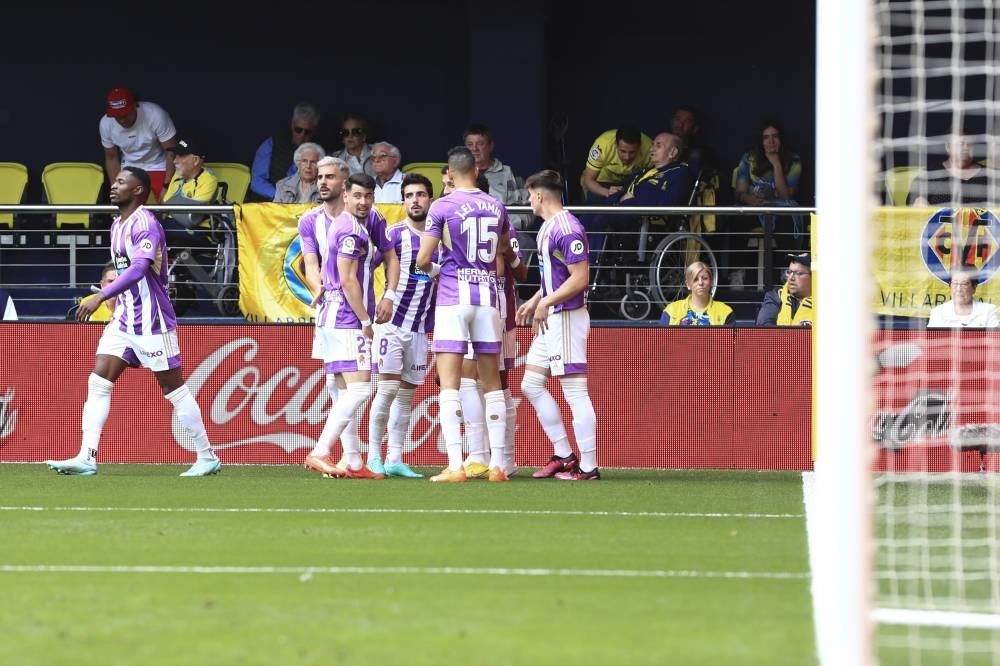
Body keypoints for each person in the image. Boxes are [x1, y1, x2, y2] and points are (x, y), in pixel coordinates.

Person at [45, 167, 220, 477]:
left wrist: (100, 297)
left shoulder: (146, 224)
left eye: (122, 182)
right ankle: (86, 456)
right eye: (116, 181)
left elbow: (139, 269)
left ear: (138, 190)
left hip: (153, 321)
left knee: (172, 387)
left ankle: (207, 456)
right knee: (99, 381)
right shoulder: (117, 225)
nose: (114, 186)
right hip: (124, 320)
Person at [416, 146, 512, 483]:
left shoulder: (443, 206)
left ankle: (456, 465)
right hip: (488, 298)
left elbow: (423, 259)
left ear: (451, 174)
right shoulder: (496, 205)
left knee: (450, 386)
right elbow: (504, 249)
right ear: (475, 169)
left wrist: (437, 270)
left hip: (453, 298)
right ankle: (498, 465)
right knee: (493, 385)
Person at [299, 163, 382, 479]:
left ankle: (354, 461)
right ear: (347, 196)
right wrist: (365, 320)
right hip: (346, 316)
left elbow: (381, 257)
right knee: (362, 390)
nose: (363, 201)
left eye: (368, 196)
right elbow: (347, 279)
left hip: (334, 315)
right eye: (357, 195)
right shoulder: (349, 229)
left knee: (344, 389)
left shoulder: (357, 225)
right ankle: (320, 451)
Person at [516, 169, 599, 480]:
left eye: (529, 196)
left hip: (566, 316)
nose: (528, 202)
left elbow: (580, 278)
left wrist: (547, 303)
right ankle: (564, 455)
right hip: (552, 314)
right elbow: (557, 275)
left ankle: (589, 467)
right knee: (531, 384)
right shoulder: (547, 228)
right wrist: (538, 298)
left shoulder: (567, 227)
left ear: (539, 195)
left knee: (575, 392)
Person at [364, 174, 439, 478]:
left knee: (406, 395)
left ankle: (395, 457)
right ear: (403, 201)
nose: (415, 200)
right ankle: (372, 456)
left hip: (420, 330)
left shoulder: (440, 241)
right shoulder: (394, 235)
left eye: (421, 194)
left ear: (430, 200)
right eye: (409, 195)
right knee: (387, 390)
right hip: (392, 326)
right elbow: (365, 268)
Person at [588, 132, 695, 261]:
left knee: (599, 220)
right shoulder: (646, 171)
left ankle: (592, 267)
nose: (652, 148)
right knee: (584, 218)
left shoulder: (680, 173)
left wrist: (633, 198)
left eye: (658, 145)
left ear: (672, 152)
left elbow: (670, 201)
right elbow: (622, 191)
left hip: (645, 218)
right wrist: (622, 197)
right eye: (653, 144)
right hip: (624, 209)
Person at [733, 118, 805, 249]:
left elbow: (785, 196)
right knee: (737, 219)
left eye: (775, 136)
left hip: (781, 209)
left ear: (781, 139)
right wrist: (748, 198)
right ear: (761, 141)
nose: (771, 141)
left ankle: (785, 266)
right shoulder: (749, 158)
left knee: (786, 219)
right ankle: (742, 268)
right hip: (755, 207)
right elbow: (739, 193)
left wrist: (776, 164)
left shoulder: (794, 160)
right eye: (766, 137)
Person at [99, 87, 178, 202]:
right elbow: (111, 158)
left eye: (125, 114)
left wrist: (167, 186)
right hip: (130, 168)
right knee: (126, 207)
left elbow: (172, 151)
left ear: (135, 105)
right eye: (117, 116)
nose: (122, 120)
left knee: (166, 205)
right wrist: (115, 189)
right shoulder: (106, 123)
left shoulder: (155, 114)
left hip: (158, 165)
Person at [249, 102, 322, 202]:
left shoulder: (319, 152)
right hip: (270, 205)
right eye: (298, 130)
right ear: (292, 125)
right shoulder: (271, 144)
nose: (302, 135)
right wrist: (281, 196)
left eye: (307, 132)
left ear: (314, 131)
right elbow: (256, 182)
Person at [908, 131, 993, 206]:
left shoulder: (989, 175)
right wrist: (919, 203)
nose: (966, 148)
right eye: (960, 144)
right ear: (948, 147)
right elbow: (910, 202)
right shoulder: (930, 175)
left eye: (969, 144)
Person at [579, 125, 651, 202]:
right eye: (623, 151)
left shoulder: (650, 148)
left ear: (639, 146)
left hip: (632, 183)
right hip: (602, 182)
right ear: (615, 144)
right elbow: (588, 180)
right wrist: (607, 192)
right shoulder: (602, 145)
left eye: (632, 152)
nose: (627, 157)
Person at [161, 137, 220, 231]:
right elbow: (164, 208)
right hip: (171, 226)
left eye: (180, 155)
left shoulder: (209, 180)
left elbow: (191, 218)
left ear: (196, 160)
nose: (174, 161)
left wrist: (170, 207)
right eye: (175, 156)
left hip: (196, 231)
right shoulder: (177, 174)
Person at [660, 261, 734, 325]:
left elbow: (729, 341)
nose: (700, 283)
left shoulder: (725, 311)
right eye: (695, 279)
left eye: (704, 278)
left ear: (711, 282)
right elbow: (662, 340)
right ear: (688, 284)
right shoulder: (671, 310)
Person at [927, 267, 1000, 328]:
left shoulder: (988, 311)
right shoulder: (938, 313)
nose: (958, 289)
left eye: (964, 284)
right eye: (955, 283)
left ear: (974, 288)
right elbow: (932, 342)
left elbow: (995, 341)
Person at [756, 253, 813, 326]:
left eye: (798, 273)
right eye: (789, 272)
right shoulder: (776, 295)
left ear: (813, 276)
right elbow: (764, 328)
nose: (791, 278)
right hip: (777, 338)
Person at [670, 104, 717, 174]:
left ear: (695, 128)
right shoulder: (659, 147)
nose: (680, 125)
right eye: (677, 119)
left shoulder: (700, 154)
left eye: (687, 121)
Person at [331, 112, 376, 177]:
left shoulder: (377, 153)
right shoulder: (334, 159)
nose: (350, 136)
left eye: (355, 132)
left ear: (364, 135)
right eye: (345, 132)